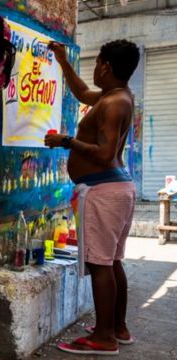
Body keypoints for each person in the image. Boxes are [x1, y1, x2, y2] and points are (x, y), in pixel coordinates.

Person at [45, 40, 140, 356]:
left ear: (106, 67)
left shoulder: (114, 104)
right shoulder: (116, 96)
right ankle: (117, 328)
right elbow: (82, 93)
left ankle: (103, 338)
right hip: (115, 188)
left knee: (100, 265)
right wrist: (62, 61)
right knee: (111, 262)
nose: (94, 69)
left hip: (104, 190)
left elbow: (105, 153)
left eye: (96, 62)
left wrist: (66, 141)